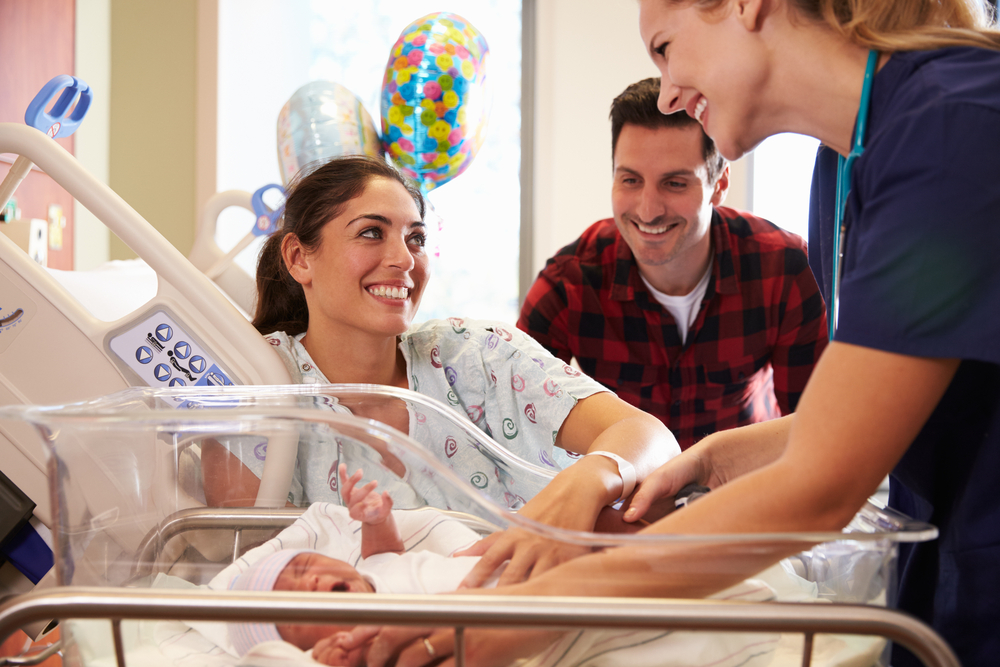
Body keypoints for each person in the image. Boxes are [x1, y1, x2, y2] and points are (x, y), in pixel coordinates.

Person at [341, 1, 1000, 665]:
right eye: (630, 179)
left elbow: (823, 481)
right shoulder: (848, 163)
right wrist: (714, 457)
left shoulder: (950, 129)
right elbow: (871, 411)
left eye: (664, 48)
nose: (669, 91)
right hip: (941, 583)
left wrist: (538, 610)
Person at [201, 154, 679, 586]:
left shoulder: (475, 356)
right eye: (372, 232)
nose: (404, 260)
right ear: (299, 257)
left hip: (563, 595)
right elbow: (245, 560)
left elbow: (647, 436)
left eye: (416, 238)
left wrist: (591, 480)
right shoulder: (256, 380)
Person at [518, 78, 828, 449]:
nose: (648, 210)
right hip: (621, 495)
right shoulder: (568, 282)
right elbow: (522, 426)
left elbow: (815, 432)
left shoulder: (787, 269)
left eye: (675, 184)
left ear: (719, 183)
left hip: (745, 490)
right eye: (630, 180)